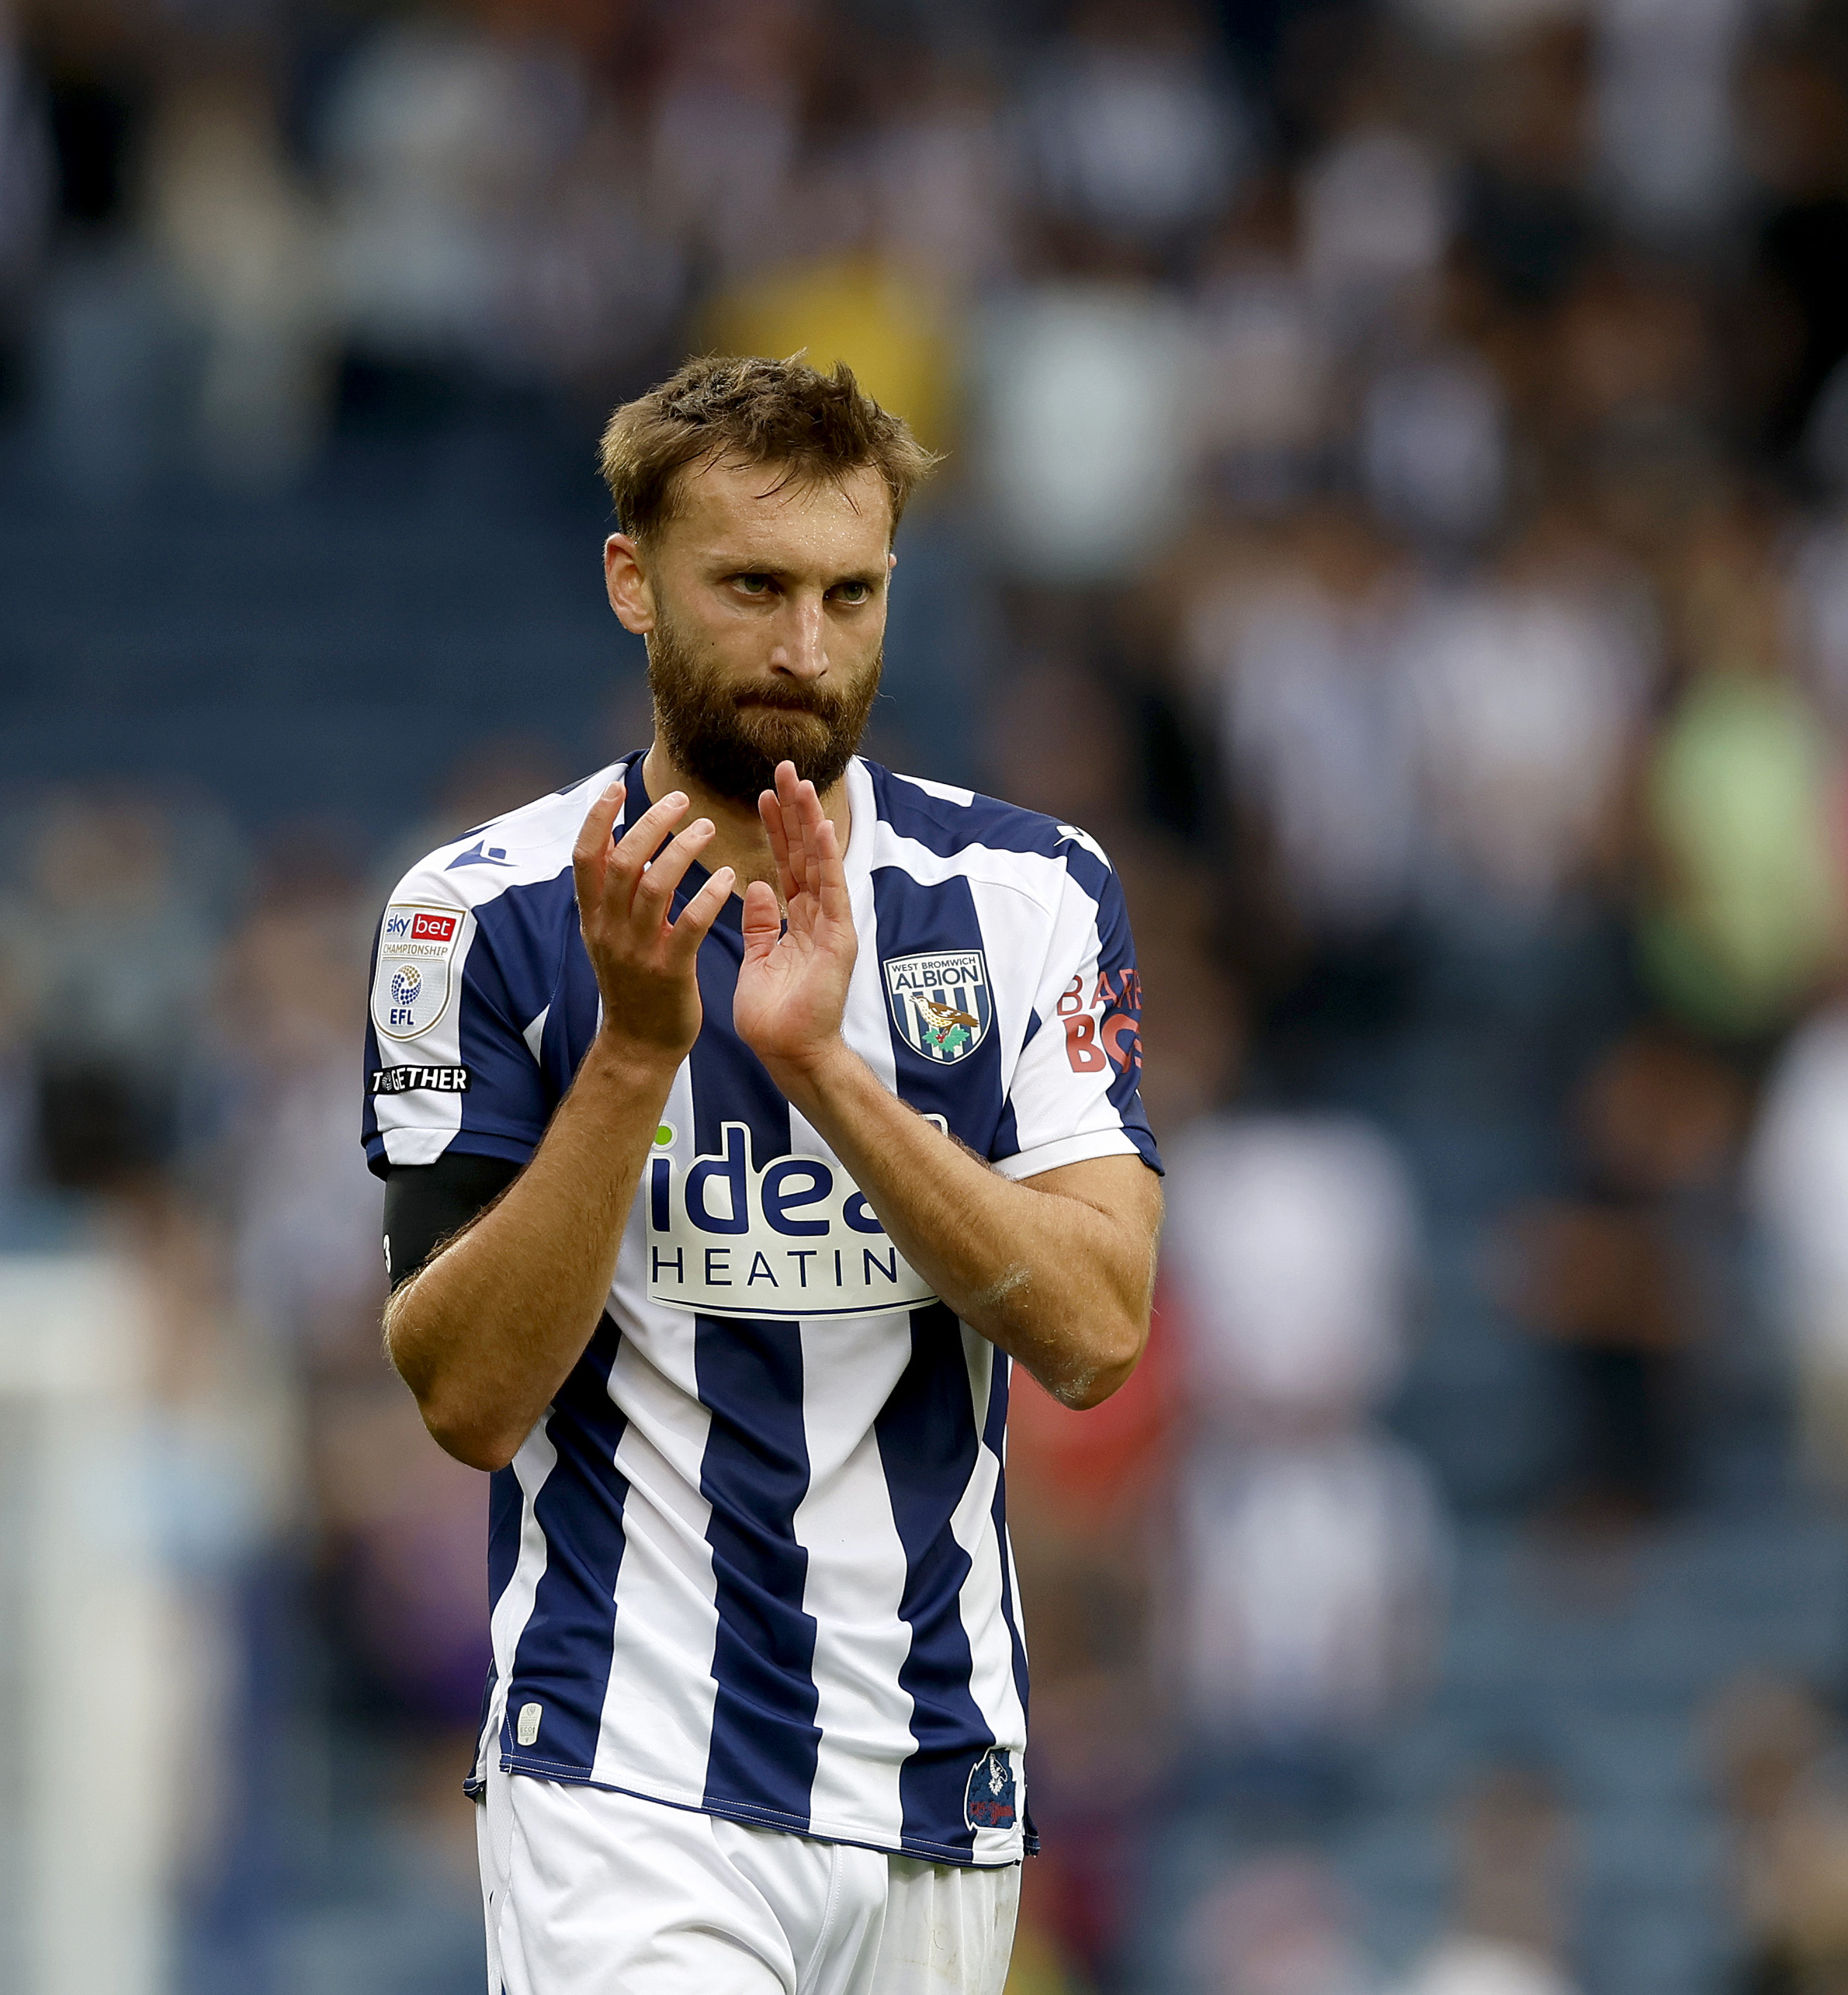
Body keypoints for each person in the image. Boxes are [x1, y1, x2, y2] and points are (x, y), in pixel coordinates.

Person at [363, 355, 1164, 1993]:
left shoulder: (1025, 898)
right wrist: (635, 1058)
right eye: (753, 587)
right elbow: (466, 1396)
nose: (807, 649)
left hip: (938, 1781)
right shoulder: (474, 915)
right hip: (625, 1779)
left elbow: (1095, 1326)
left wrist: (820, 1067)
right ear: (630, 584)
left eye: (849, 593)